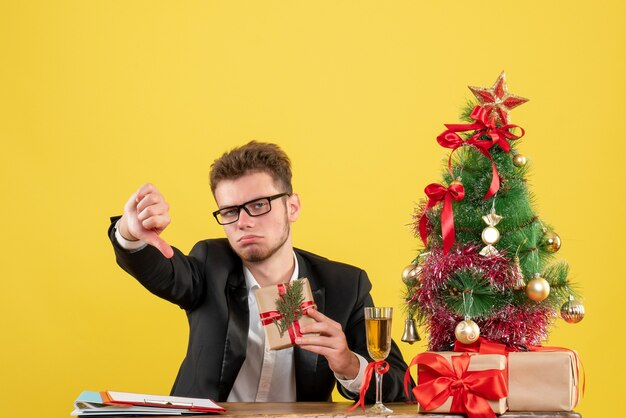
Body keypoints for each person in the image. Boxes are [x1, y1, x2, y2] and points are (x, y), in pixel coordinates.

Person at [108, 141, 410, 403]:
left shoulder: (345, 285)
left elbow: (403, 386)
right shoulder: (210, 264)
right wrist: (130, 234)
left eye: (258, 205)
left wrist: (348, 365)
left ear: (292, 207)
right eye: (229, 211)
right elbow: (164, 271)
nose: (243, 221)